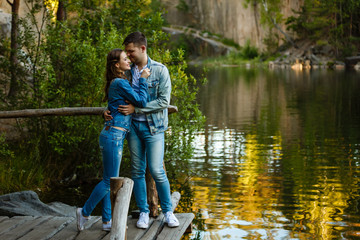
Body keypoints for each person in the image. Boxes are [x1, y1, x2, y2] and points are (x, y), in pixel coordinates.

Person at [104, 32, 179, 228]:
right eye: (126, 53)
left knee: (156, 169)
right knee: (137, 170)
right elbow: (116, 95)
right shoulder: (126, 72)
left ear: (142, 49)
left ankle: (168, 211)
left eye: (131, 52)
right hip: (133, 128)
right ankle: (144, 211)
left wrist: (136, 108)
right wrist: (108, 111)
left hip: (154, 128)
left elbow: (164, 101)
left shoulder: (160, 71)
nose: (128, 56)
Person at [76, 48, 150, 232]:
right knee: (109, 182)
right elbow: (142, 101)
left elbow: (113, 106)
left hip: (112, 134)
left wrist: (105, 112)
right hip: (113, 136)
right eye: (125, 59)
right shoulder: (120, 83)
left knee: (109, 179)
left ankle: (107, 221)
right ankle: (84, 212)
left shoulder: (116, 82)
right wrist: (143, 78)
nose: (129, 61)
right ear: (117, 65)